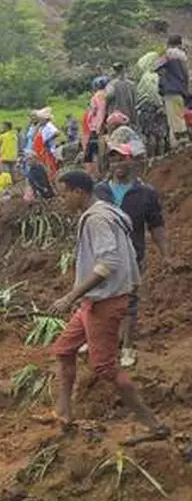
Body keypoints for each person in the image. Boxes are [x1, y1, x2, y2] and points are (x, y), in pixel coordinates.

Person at [50, 171, 168, 444]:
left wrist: (70, 296)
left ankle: (153, 424)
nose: (62, 199)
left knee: (104, 367)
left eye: (64, 193)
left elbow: (106, 264)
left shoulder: (97, 220)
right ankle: (63, 413)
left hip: (104, 301)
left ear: (79, 192)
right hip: (95, 300)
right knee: (64, 349)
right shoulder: (104, 211)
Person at [93, 154, 168, 368]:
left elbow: (156, 225)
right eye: (113, 159)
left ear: (132, 162)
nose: (118, 165)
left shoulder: (145, 193)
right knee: (101, 299)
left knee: (129, 302)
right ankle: (104, 341)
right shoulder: (99, 191)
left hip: (134, 256)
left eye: (122, 159)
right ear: (109, 163)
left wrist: (166, 254)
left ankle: (127, 346)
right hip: (102, 256)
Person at [154, 34, 189, 146]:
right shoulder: (183, 58)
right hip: (180, 93)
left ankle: (181, 144)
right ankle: (181, 144)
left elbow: (155, 66)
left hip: (171, 92)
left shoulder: (169, 55)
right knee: (179, 117)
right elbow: (186, 77)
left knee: (174, 120)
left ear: (169, 44)